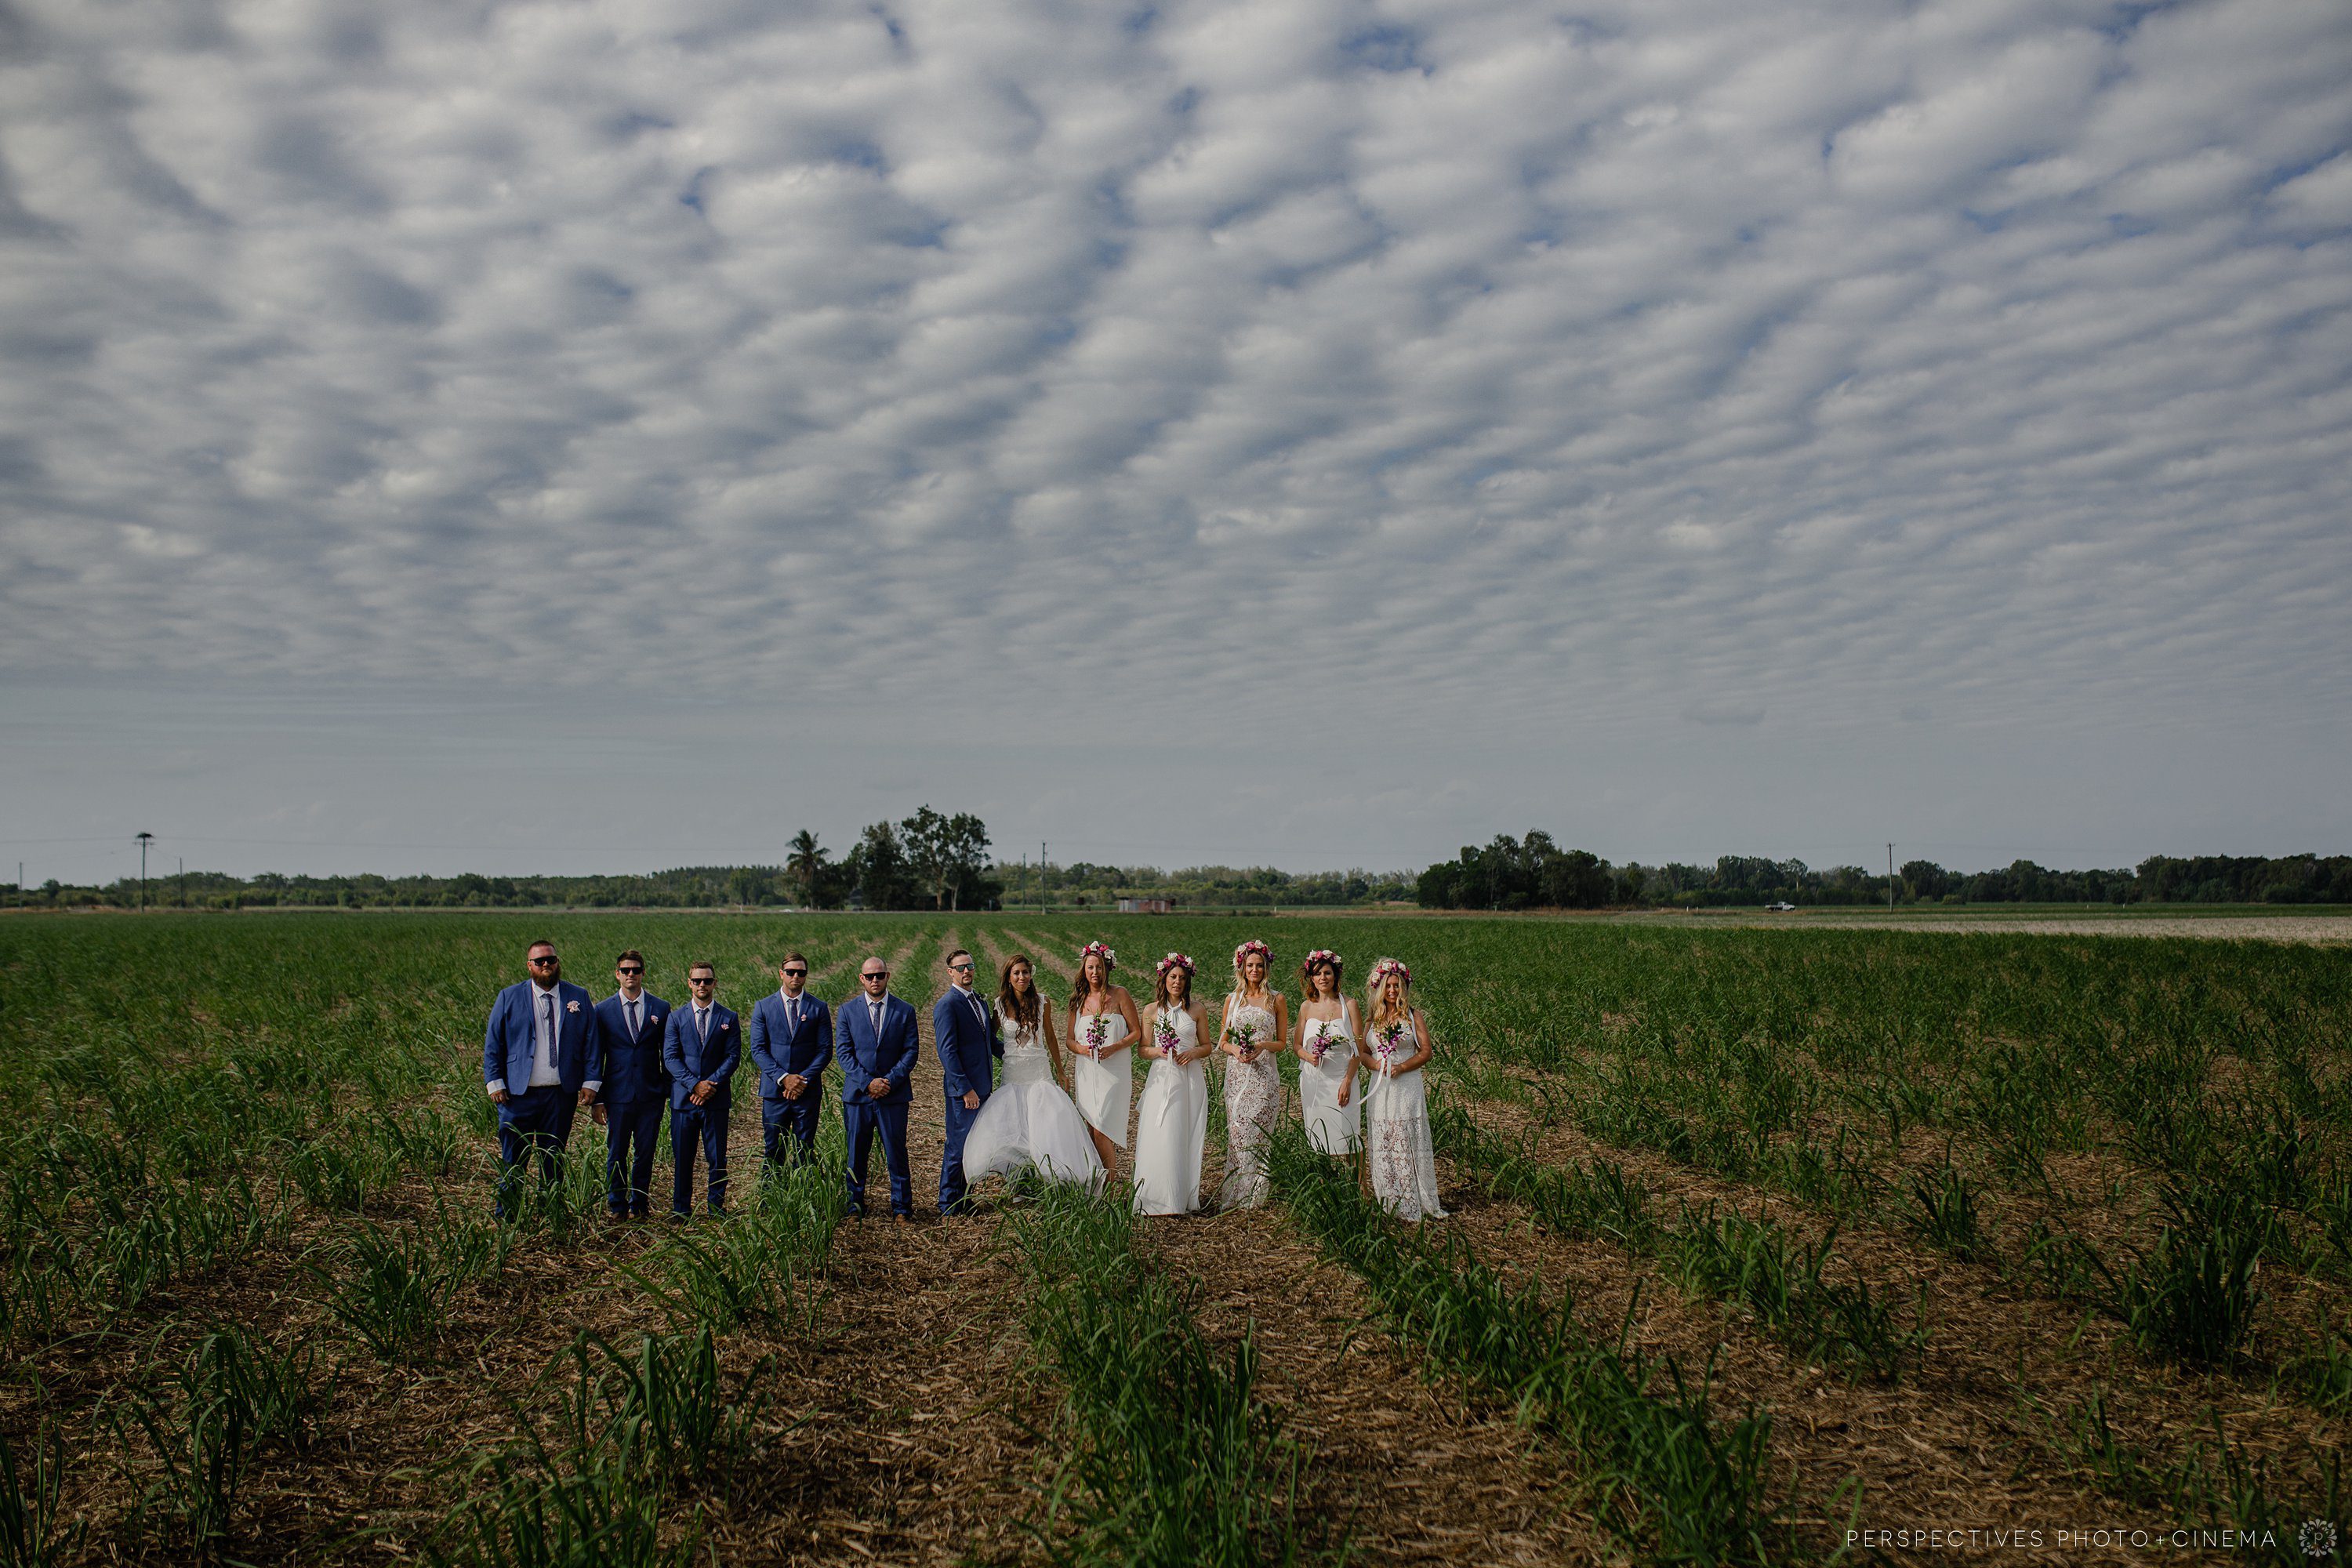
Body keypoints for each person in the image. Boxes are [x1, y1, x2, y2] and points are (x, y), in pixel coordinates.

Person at [961, 953, 1103, 1192]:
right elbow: (988, 1038)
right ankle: (1019, 1189)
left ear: (1031, 975)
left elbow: (1049, 1037)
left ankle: (1054, 1184)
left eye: (1025, 972)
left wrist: (1060, 1071)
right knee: (1014, 1131)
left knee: (1047, 1128)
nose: (1022, 977)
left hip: (1039, 1074)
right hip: (1013, 1076)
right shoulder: (999, 1006)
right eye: (1016, 973)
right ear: (1008, 977)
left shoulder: (1042, 1002)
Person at [482, 939, 602, 1218]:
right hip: (518, 1095)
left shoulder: (578, 997)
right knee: (514, 1160)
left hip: (560, 1094)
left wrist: (591, 1082)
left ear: (558, 962)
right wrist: (495, 1082)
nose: (546, 965)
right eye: (539, 961)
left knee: (554, 1158)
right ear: (529, 966)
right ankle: (508, 1217)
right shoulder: (508, 997)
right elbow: (493, 1044)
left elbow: (591, 1042)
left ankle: (551, 1214)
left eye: (551, 959)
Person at [1358, 957, 1446, 1221]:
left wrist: (1402, 1067)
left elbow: (1426, 1052)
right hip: (1380, 1086)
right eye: (1388, 986)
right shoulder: (1372, 1018)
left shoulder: (1412, 1015)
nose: (1393, 991)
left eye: (1397, 986)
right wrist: (1375, 1064)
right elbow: (1362, 1052)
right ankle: (1390, 1198)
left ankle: (1415, 1197)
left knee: (1407, 1137)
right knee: (1385, 1137)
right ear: (1380, 988)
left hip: (1407, 1085)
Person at [836, 954, 920, 1221]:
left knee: (896, 1153)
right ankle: (854, 1206)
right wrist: (867, 1082)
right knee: (856, 1154)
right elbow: (844, 1053)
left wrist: (889, 1081)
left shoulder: (904, 1010)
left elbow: (910, 1052)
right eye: (869, 976)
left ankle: (902, 1209)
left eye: (879, 975)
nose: (875, 980)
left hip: (893, 1095)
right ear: (861, 979)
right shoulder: (847, 1011)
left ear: (887, 977)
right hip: (859, 1096)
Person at [592, 949, 670, 1218]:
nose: (631, 975)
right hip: (618, 1094)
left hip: (650, 1095)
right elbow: (596, 1055)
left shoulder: (661, 1008)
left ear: (643, 973)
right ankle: (617, 1205)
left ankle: (640, 1204)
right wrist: (598, 1098)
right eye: (625, 971)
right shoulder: (602, 1011)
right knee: (617, 1152)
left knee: (645, 1153)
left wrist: (666, 1091)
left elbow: (667, 1054)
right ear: (617, 974)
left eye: (636, 970)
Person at [1134, 952, 1210, 1215]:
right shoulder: (1151, 1011)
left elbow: (1208, 1046)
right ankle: (1155, 1196)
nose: (1177, 982)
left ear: (1188, 983)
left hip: (1189, 1077)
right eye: (1173, 977)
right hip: (1161, 1077)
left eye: (1182, 978)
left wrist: (1193, 1053)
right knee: (1161, 1131)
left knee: (1183, 1131)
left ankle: (1179, 1197)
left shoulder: (1197, 1009)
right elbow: (1143, 1049)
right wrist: (1159, 1052)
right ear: (1164, 979)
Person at [662, 962, 739, 1220]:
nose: (702, 985)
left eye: (707, 981)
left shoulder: (728, 1018)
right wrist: (694, 1084)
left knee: (717, 1159)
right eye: (697, 981)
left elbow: (732, 1057)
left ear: (715, 983)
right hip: (684, 1101)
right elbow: (671, 1058)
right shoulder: (676, 1018)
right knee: (683, 1158)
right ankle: (681, 1209)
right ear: (689, 983)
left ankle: (716, 1208)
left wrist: (710, 1085)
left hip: (715, 1100)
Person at [1216, 938, 1287, 1209]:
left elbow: (1281, 1043)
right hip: (1236, 1075)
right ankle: (1235, 1194)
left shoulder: (1276, 999)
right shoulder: (1232, 1000)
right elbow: (1221, 1040)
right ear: (1242, 968)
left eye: (1259, 965)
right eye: (1250, 965)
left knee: (1258, 1132)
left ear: (1266, 968)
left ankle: (1256, 1195)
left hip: (1264, 1075)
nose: (1255, 970)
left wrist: (1262, 1046)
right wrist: (1234, 1049)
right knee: (1237, 1132)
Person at [749, 952, 831, 1174]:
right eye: (791, 972)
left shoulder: (818, 1008)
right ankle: (771, 1200)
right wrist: (785, 1079)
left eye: (801, 972)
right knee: (774, 1149)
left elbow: (824, 1050)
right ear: (781, 974)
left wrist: (801, 1080)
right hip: (775, 1093)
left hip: (807, 1091)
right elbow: (758, 1049)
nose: (796, 976)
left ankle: (803, 1200)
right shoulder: (764, 1007)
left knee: (804, 1148)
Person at [933, 949, 1001, 1216]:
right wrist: (965, 1089)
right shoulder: (947, 1004)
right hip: (965, 1091)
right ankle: (948, 1203)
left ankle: (964, 1198)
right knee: (958, 1145)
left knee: (973, 1146)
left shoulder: (979, 1002)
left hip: (983, 1086)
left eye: (969, 966)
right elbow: (947, 1052)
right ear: (950, 972)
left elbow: (989, 1043)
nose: (966, 971)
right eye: (959, 968)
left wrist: (1021, 1056)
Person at [1065, 942, 1141, 1183]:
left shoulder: (1120, 995)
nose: (1095, 973)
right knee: (1091, 1128)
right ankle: (1095, 1181)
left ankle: (1109, 1187)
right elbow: (1069, 1040)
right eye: (1090, 968)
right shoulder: (1077, 1000)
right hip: (1087, 1071)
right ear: (1084, 970)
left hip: (1115, 1071)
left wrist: (1114, 1047)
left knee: (1102, 1128)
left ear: (1107, 968)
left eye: (1099, 967)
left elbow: (1136, 1032)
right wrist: (1082, 1049)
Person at [1293, 949, 1360, 1160]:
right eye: (1317, 974)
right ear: (1311, 978)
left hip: (1343, 1079)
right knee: (1318, 1138)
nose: (1323, 978)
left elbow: (1358, 1049)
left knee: (1349, 1136)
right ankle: (1324, 1186)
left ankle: (1359, 1188)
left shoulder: (1350, 1005)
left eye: (1327, 973)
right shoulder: (1306, 1008)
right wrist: (1307, 1056)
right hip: (1315, 1083)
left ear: (1336, 975)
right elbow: (1296, 1045)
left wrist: (1348, 1081)